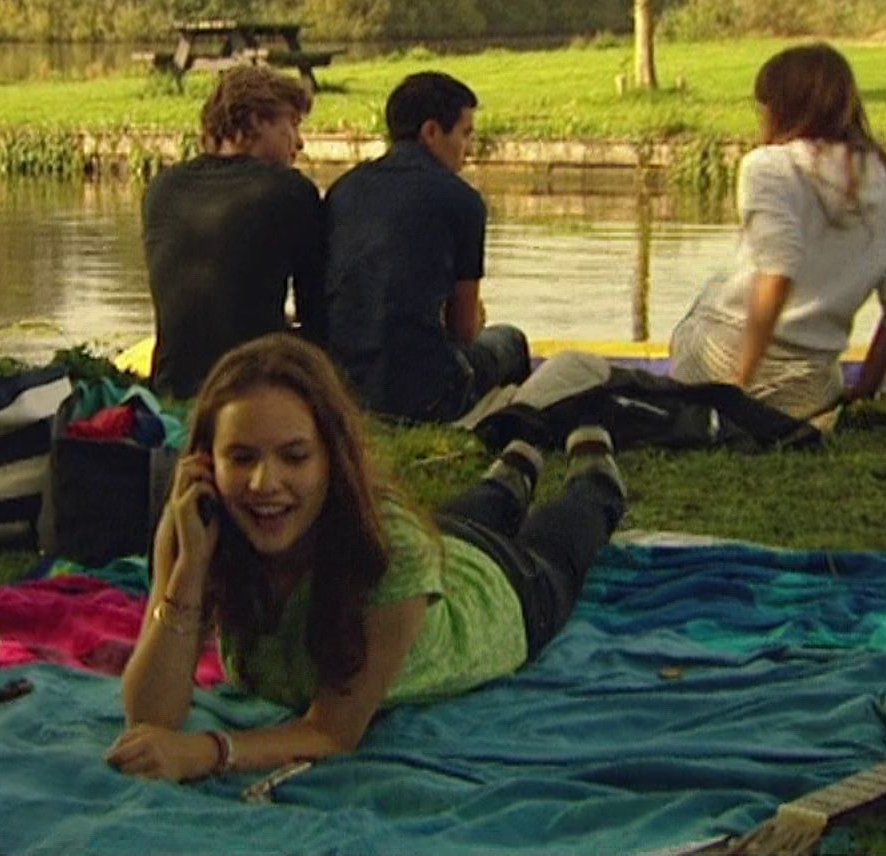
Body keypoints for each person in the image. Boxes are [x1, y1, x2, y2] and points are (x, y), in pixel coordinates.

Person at [107, 334, 626, 780]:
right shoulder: (199, 525)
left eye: (294, 456)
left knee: (568, 531)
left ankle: (595, 477)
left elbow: (331, 732)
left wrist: (207, 752)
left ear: (332, 459)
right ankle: (513, 472)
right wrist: (186, 571)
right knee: (474, 510)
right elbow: (150, 719)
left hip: (502, 594)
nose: (264, 483)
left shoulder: (391, 548)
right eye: (242, 458)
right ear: (206, 463)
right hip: (441, 543)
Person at [669, 43, 886, 420]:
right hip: (809, 390)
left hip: (725, 363)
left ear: (782, 109)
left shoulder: (767, 166)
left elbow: (777, 275)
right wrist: (864, 391)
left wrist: (740, 388)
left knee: (705, 303)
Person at [322, 72, 529, 422]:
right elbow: (463, 331)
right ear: (431, 132)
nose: (468, 149)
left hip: (344, 386)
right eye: (465, 134)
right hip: (427, 394)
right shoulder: (462, 200)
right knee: (510, 341)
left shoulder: (342, 190)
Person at [142, 67, 327, 400]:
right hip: (253, 386)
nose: (299, 142)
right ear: (256, 122)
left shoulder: (162, 187)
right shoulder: (289, 190)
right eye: (292, 124)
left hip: (171, 384)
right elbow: (315, 309)